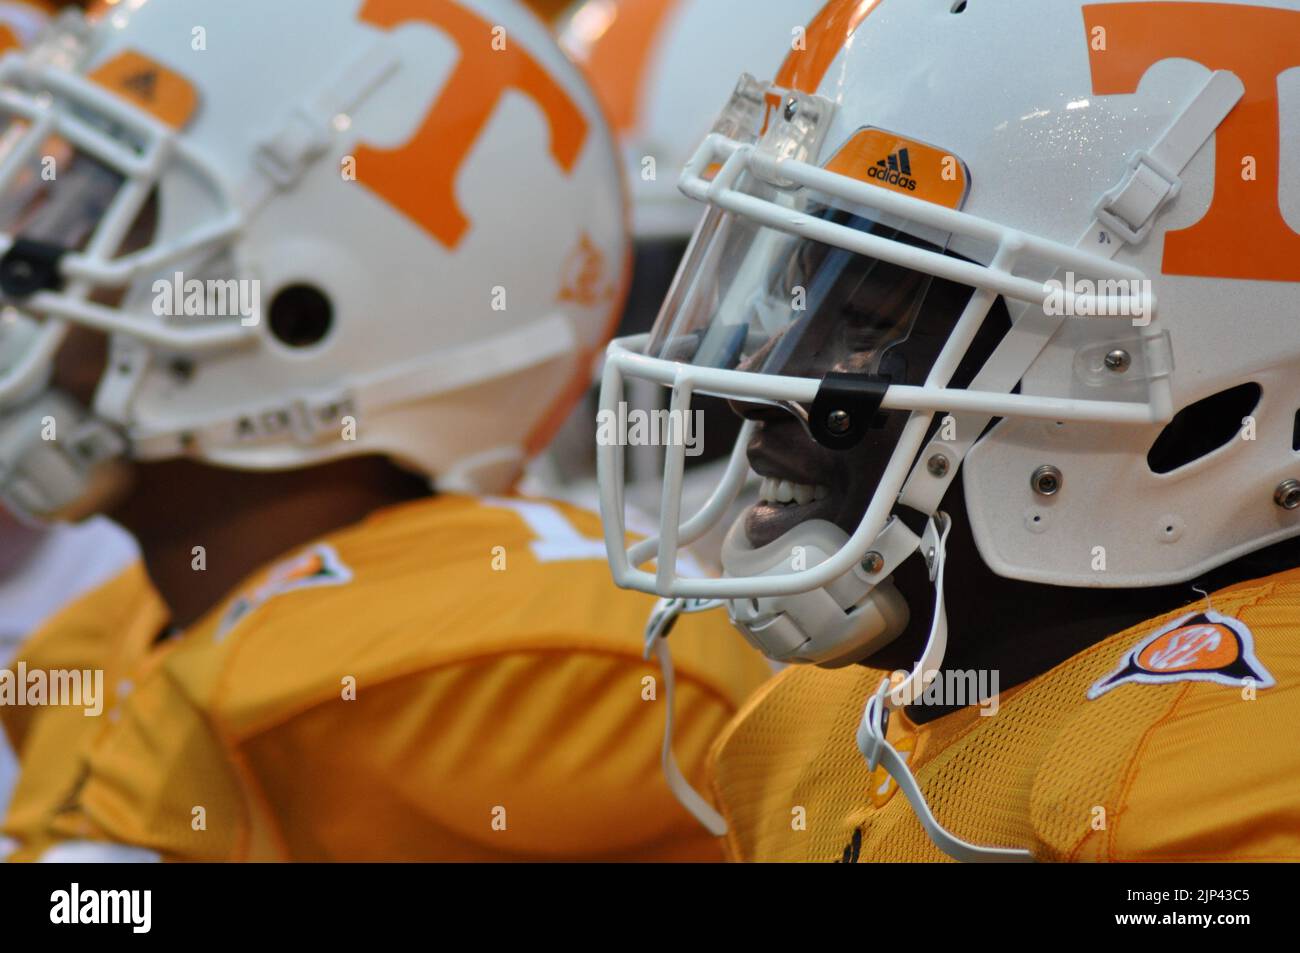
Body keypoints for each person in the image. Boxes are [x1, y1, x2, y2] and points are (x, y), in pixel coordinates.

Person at [0, 0, 769, 862]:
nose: (27, 250)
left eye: (96, 205)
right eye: (45, 192)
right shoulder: (103, 642)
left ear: (299, 314)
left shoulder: (434, 696)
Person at [596, 0, 1300, 861]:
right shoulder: (799, 734)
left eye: (863, 319)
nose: (756, 386)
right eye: (790, 290)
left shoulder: (1213, 778)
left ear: (1170, 367)